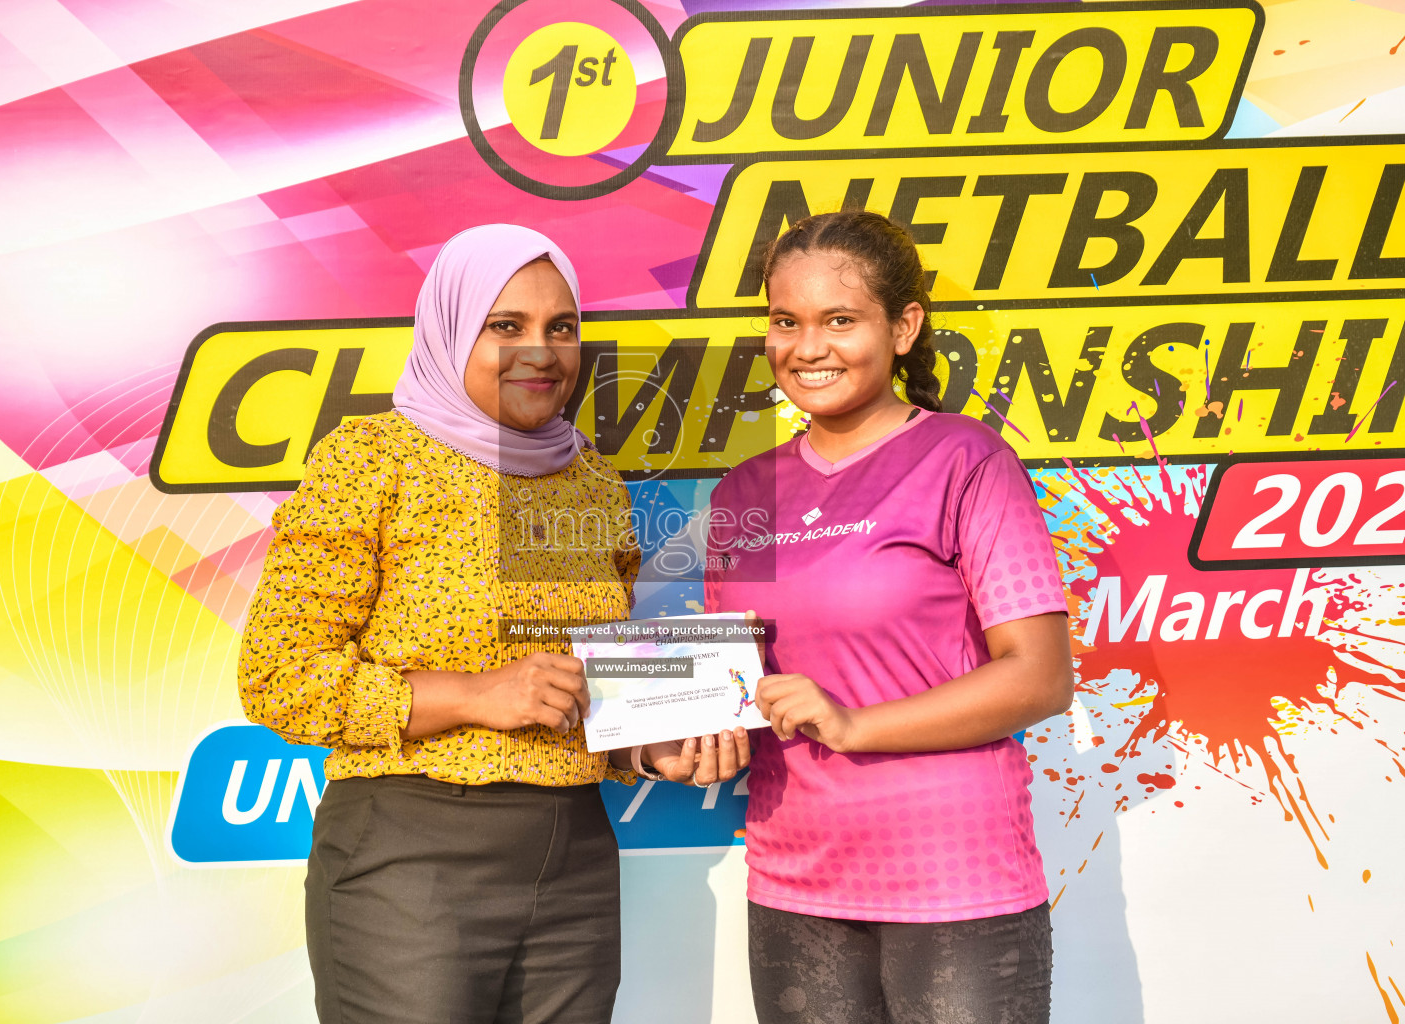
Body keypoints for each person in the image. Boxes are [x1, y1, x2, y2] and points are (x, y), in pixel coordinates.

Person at [237, 223, 746, 1024]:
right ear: (448, 328)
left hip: (573, 857)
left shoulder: (592, 484)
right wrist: (474, 694)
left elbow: (580, 686)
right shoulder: (373, 459)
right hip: (410, 855)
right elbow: (280, 679)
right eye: (504, 327)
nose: (540, 351)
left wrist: (652, 746)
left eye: (561, 327)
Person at [705, 211, 1074, 1024]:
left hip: (954, 876)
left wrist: (851, 724)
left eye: (840, 320)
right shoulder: (744, 492)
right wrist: (678, 740)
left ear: (904, 327)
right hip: (794, 879)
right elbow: (726, 685)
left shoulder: (964, 458)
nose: (807, 347)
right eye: (784, 322)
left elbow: (1041, 677)